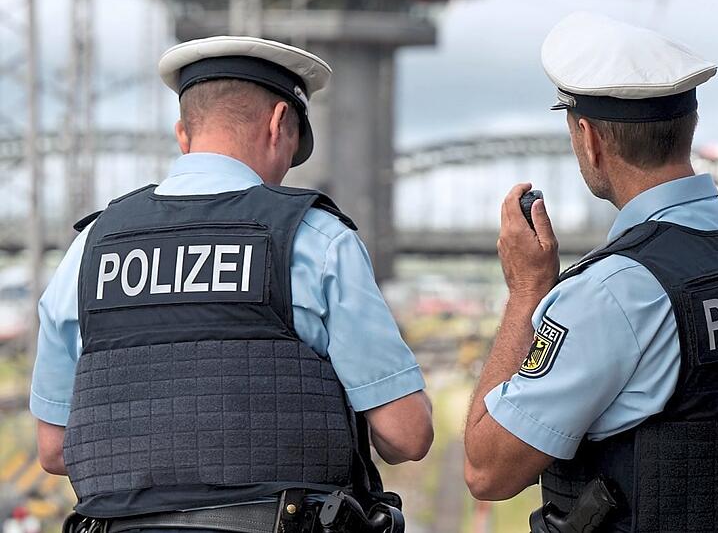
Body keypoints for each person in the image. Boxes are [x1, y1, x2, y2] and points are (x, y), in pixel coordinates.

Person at [30, 36, 432, 531]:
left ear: (183, 134)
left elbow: (55, 448)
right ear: (280, 122)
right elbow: (407, 436)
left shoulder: (90, 248)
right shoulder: (317, 239)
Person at [463, 12, 718, 533]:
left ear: (590, 138)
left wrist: (527, 292)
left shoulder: (610, 295)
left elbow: (487, 470)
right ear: (689, 126)